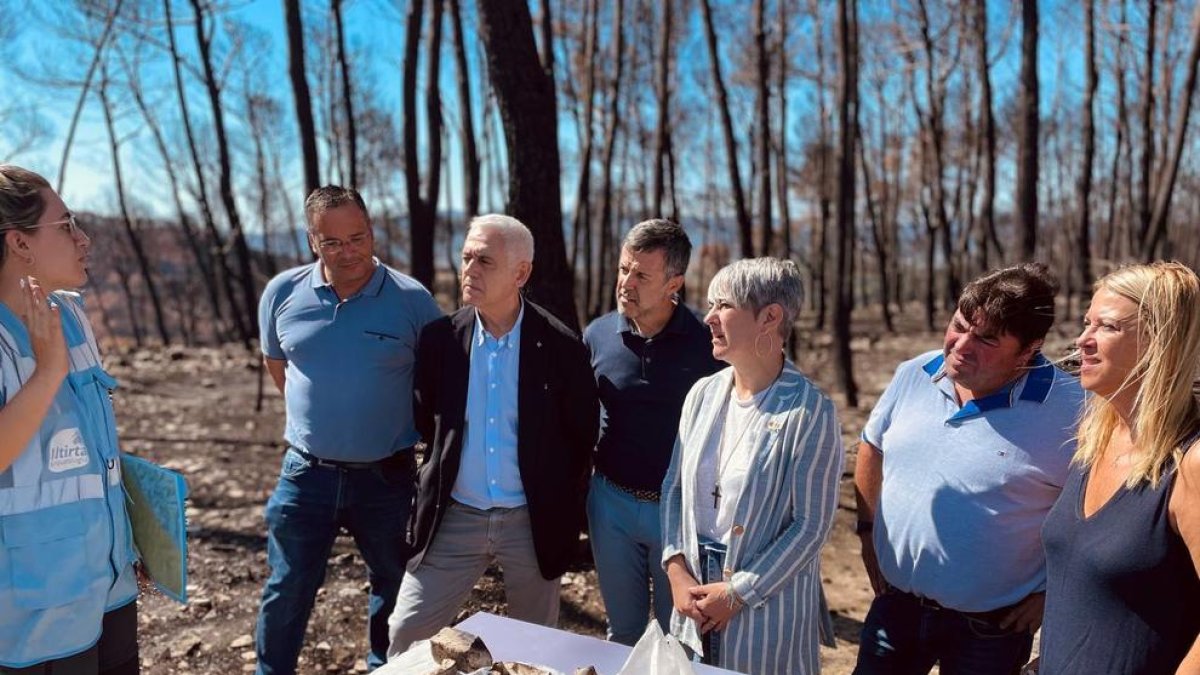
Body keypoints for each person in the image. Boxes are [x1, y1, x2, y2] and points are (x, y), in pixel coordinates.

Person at [853, 263, 1084, 675]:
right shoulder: (914, 374)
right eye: (959, 325)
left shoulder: (1075, 411)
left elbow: (1099, 513)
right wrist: (868, 534)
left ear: (1030, 348)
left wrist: (1052, 593)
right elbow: (872, 446)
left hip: (992, 627)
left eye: (986, 339)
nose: (961, 345)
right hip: (896, 604)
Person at [386, 215, 599, 657]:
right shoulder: (441, 340)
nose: (470, 269)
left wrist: (561, 504)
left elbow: (579, 438)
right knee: (406, 631)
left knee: (534, 648)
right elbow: (428, 422)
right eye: (467, 257)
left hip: (531, 521)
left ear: (521, 273)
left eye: (485, 260)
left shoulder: (561, 346)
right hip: (455, 514)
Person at [254, 185, 442, 674]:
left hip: (387, 477)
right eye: (332, 242)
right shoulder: (281, 293)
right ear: (312, 241)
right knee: (287, 587)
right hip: (305, 474)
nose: (348, 252)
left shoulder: (412, 300)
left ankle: (387, 669)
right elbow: (279, 366)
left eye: (357, 238)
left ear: (372, 231)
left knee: (394, 585)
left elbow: (439, 379)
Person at [660, 257, 844, 675]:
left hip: (765, 605)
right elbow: (674, 487)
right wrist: (676, 568)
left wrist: (738, 593)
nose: (708, 317)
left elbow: (810, 526)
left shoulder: (810, 411)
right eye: (710, 305)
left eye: (723, 305)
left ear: (770, 317)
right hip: (693, 596)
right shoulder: (702, 394)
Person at [0, 165, 139, 673]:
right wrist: (47, 372)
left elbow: (93, 451)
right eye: (66, 225)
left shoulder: (72, 315)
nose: (84, 239)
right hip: (34, 614)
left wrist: (129, 540)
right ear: (20, 243)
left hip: (110, 585)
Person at [1036, 262, 1200, 674]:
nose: (1082, 341)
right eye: (1087, 323)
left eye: (1107, 326)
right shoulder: (1095, 441)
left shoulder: (1189, 462)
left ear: (1160, 343)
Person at [583, 219, 721, 645]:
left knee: (676, 637)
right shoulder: (598, 335)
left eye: (642, 275)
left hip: (678, 514)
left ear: (673, 283)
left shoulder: (708, 344)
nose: (626, 283)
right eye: (624, 269)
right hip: (610, 506)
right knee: (621, 632)